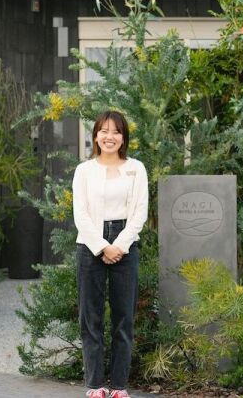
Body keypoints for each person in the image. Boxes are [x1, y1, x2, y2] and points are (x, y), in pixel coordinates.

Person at [73, 111, 149, 398]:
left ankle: (118, 386)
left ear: (123, 137)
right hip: (89, 243)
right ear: (95, 136)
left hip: (125, 245)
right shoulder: (84, 171)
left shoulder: (136, 169)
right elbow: (80, 214)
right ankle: (95, 385)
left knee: (123, 318)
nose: (109, 137)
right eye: (104, 131)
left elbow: (139, 212)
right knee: (90, 317)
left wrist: (120, 245)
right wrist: (102, 246)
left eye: (116, 131)